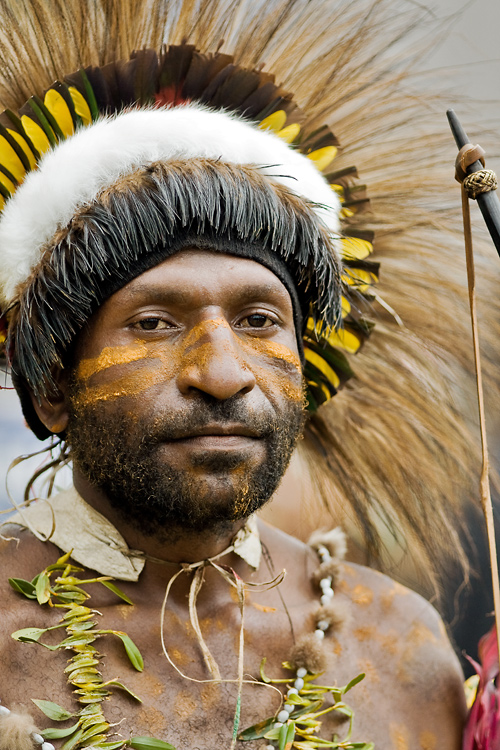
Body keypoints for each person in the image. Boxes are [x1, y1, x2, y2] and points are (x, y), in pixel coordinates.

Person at [1, 0, 495, 748]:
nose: (224, 373)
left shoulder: (402, 652)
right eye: (154, 322)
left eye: (260, 320)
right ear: (52, 389)